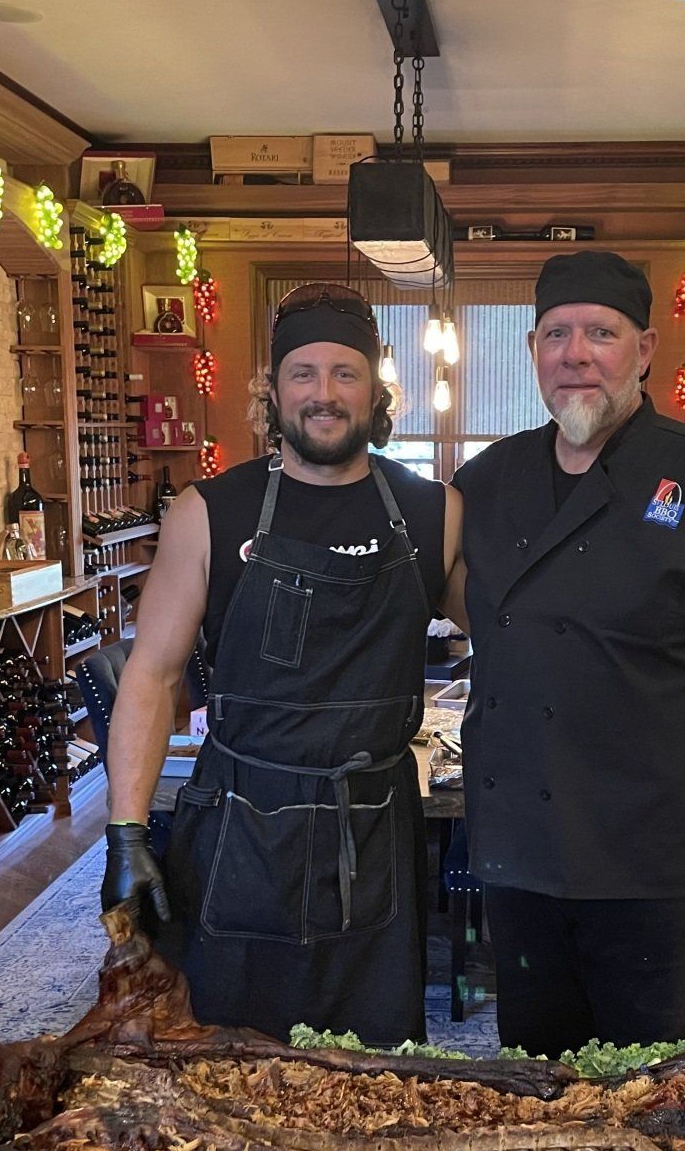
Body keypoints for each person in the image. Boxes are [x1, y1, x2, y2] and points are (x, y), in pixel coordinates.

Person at [446, 250, 685, 1057]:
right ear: (533, 353)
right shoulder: (486, 480)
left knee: (649, 1080)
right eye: (556, 335)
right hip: (521, 849)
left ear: (645, 350)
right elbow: (460, 600)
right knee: (535, 1068)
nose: (575, 353)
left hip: (658, 854)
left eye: (600, 333)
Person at [102, 283, 462, 1045]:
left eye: (345, 373)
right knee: (225, 1069)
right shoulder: (209, 510)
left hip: (374, 829)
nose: (324, 395)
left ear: (375, 389)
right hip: (238, 826)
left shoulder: (435, 512)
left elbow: (517, 639)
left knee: (374, 1073)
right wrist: (127, 831)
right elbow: (152, 675)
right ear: (272, 389)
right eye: (303, 373)